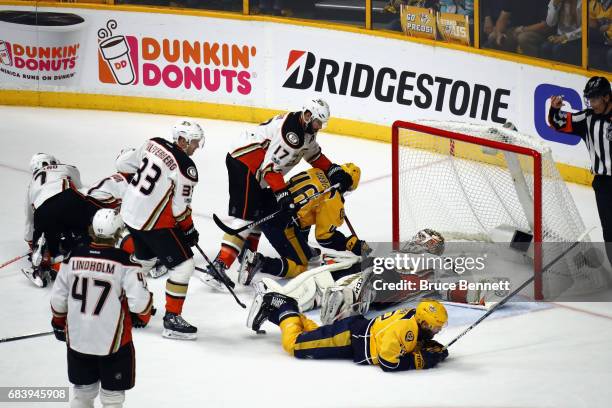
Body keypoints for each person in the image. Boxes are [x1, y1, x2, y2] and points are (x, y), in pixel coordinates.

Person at [202, 98, 354, 290]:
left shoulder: (305, 131)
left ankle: (247, 255)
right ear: (307, 116)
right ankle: (218, 267)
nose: (319, 127)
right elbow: (269, 169)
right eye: (317, 122)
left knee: (258, 213)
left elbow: (313, 155)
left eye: (321, 124)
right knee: (245, 216)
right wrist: (282, 194)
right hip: (245, 162)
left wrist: (333, 169)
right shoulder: (291, 135)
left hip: (256, 165)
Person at [50, 208, 153, 408]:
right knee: (112, 399)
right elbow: (140, 304)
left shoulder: (72, 257)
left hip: (78, 339)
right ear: (117, 233)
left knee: (82, 395)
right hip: (113, 343)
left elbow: (58, 300)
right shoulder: (125, 261)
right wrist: (142, 316)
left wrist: (58, 322)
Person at [120, 118, 204, 340]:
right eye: (194, 142)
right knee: (184, 265)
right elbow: (179, 209)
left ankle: (125, 302)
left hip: (128, 213)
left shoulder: (152, 143)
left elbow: (123, 165)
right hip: (151, 222)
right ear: (183, 140)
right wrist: (189, 230)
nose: (196, 146)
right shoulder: (186, 167)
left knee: (144, 259)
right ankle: (172, 320)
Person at [237, 164, 370, 286]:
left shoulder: (317, 171)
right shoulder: (333, 198)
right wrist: (350, 244)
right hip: (279, 221)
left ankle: (245, 251)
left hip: (266, 202)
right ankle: (259, 262)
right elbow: (324, 238)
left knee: (307, 213)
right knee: (300, 266)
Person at [247, 293, 449, 372]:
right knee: (295, 345)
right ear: (423, 322)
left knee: (317, 335)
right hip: (349, 338)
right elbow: (388, 363)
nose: (437, 331)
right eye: (434, 327)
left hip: (354, 333)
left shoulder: (413, 319)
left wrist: (423, 345)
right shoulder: (406, 330)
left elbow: (401, 343)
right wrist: (420, 360)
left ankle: (274, 314)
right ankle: (285, 306)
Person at [548, 76, 612, 264]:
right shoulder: (587, 118)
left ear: (606, 97)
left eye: (595, 99)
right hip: (603, 184)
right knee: (609, 230)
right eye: (589, 99)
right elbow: (558, 122)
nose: (591, 104)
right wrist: (555, 108)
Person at [23, 153, 105, 287]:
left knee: (50, 240)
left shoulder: (30, 185)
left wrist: (31, 242)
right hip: (68, 199)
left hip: (43, 211)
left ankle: (48, 257)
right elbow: (79, 185)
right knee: (81, 228)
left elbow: (29, 219)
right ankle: (87, 245)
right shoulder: (64, 167)